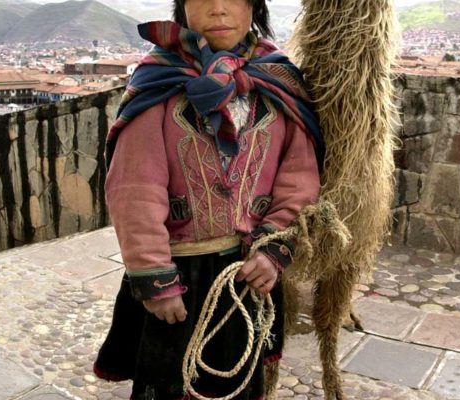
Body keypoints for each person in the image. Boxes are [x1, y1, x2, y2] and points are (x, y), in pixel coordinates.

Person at [93, 0, 324, 398]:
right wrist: (155, 277)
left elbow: (299, 177)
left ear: (254, 7)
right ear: (183, 8)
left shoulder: (278, 82)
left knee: (240, 384)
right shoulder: (158, 83)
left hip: (249, 273)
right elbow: (134, 189)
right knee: (170, 384)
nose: (218, 10)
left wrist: (273, 249)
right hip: (180, 274)